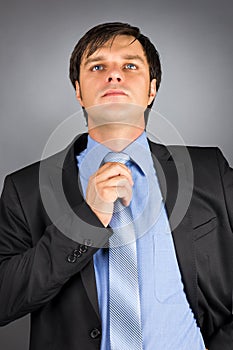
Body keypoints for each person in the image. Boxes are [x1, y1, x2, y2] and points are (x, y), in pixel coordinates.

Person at [0, 22, 232, 350]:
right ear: (79, 90)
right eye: (98, 66)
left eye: (129, 66)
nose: (114, 75)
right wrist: (85, 220)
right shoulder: (25, 190)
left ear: (151, 90)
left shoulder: (212, 172)